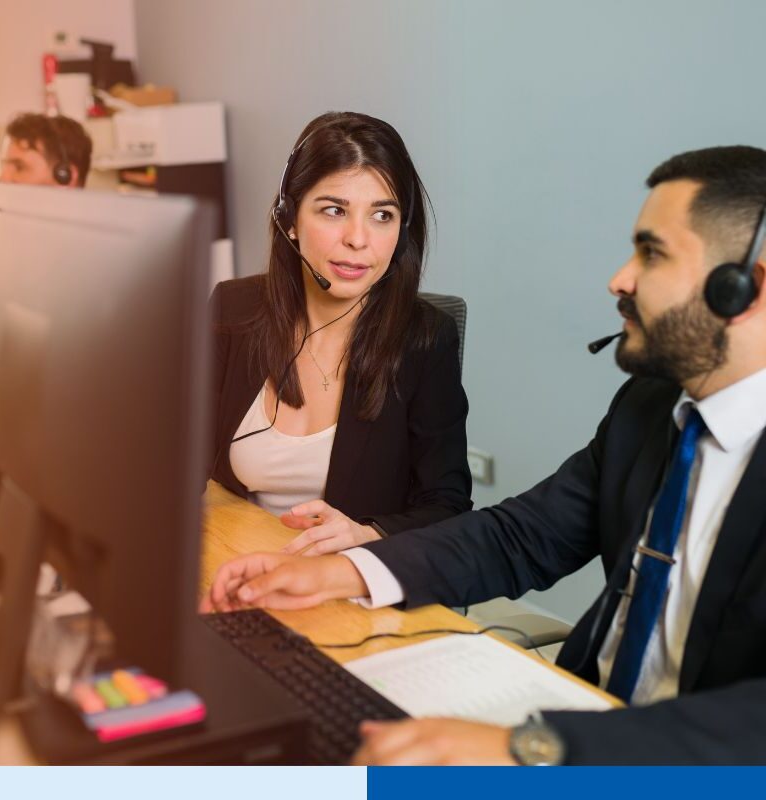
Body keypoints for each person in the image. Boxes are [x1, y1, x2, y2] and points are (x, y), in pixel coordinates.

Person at [206, 145, 766, 765]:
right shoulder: (650, 408)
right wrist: (341, 571)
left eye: (651, 253)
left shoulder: (422, 338)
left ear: (744, 286)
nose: (620, 279)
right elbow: (518, 537)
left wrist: (534, 747)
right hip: (587, 717)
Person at [207, 112, 471, 557]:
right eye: (334, 210)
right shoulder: (233, 309)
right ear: (289, 219)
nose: (358, 239)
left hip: (350, 586)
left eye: (382, 215)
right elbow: (173, 461)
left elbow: (446, 507)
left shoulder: (425, 340)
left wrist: (368, 535)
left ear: (401, 232)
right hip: (236, 561)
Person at [0, 112, 93, 368]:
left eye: (19, 167)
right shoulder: (32, 243)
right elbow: (2, 318)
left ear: (65, 176)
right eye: (6, 165)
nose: (3, 179)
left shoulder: (87, 256)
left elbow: (42, 351)